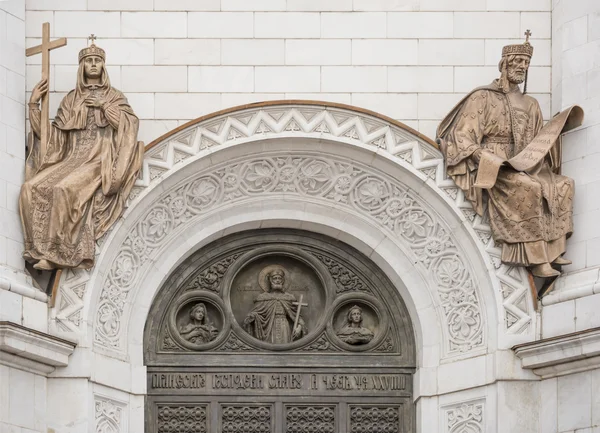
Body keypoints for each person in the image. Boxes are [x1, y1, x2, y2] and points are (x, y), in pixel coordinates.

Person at [437, 33, 576, 278]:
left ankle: (553, 249)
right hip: (495, 164)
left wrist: (553, 134)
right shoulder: (483, 97)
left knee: (563, 184)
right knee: (527, 188)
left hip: (526, 162)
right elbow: (462, 136)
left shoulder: (530, 103)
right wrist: (484, 157)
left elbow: (536, 141)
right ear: (505, 64)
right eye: (518, 62)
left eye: (526, 63)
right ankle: (537, 258)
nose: (522, 67)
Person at [20, 40, 144, 270]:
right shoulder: (71, 99)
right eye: (89, 61)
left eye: (97, 61)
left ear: (103, 67)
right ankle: (36, 249)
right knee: (31, 188)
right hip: (72, 157)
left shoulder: (114, 96)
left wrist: (104, 106)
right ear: (82, 67)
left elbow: (130, 126)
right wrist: (33, 105)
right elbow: (52, 138)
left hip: (99, 158)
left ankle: (58, 253)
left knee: (63, 189)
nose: (94, 65)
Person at [243, 265, 307, 344]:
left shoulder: (289, 297)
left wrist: (299, 328)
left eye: (279, 278)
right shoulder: (263, 297)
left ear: (283, 281)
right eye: (275, 278)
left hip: (284, 326)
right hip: (270, 327)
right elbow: (257, 312)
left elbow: (297, 316)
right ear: (270, 280)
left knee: (285, 346)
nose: (277, 280)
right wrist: (253, 316)